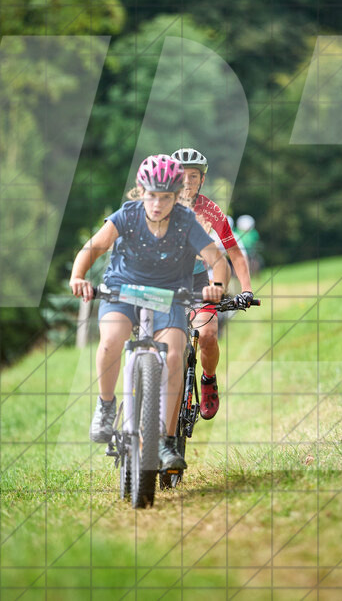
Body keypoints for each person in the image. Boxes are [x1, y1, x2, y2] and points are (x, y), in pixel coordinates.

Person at [69, 154, 228, 470]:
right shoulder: (126, 216)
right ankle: (105, 406)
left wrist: (217, 286)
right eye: (151, 195)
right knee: (111, 339)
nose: (157, 204)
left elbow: (217, 259)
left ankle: (167, 442)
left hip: (170, 296)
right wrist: (78, 276)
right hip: (123, 289)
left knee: (174, 355)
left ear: (175, 195)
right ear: (140, 191)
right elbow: (94, 247)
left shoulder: (186, 221)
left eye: (166, 197)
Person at [172, 147, 255, 421]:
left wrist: (246, 290)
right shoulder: (159, 202)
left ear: (202, 180)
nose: (187, 181)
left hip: (198, 281)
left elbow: (234, 253)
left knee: (207, 335)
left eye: (193, 176)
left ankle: (207, 379)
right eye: (182, 175)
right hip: (164, 281)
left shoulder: (210, 211)